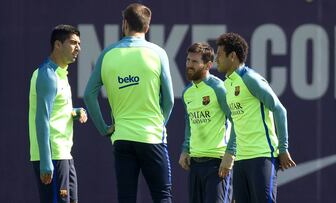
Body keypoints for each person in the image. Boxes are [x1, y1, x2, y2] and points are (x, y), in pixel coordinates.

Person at [83, 3, 174, 203]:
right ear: (147, 27)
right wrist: (159, 125)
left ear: (124, 24)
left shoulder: (107, 53)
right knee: (162, 196)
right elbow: (169, 100)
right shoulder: (158, 53)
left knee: (126, 198)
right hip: (151, 137)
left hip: (121, 138)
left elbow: (89, 94)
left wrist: (103, 128)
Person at [216, 32, 296, 203]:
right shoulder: (228, 84)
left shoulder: (250, 79)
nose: (216, 59)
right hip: (241, 159)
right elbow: (237, 123)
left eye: (220, 55)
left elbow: (280, 110)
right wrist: (231, 153)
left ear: (232, 56)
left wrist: (283, 148)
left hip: (262, 156)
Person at [28, 24, 87, 203]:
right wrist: (46, 161)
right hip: (52, 157)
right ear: (58, 45)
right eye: (73, 43)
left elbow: (56, 111)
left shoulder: (61, 74)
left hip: (64, 155)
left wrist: (74, 112)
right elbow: (42, 118)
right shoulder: (47, 75)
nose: (78, 48)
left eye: (79, 43)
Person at [178, 43, 233, 203]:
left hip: (218, 163)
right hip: (195, 164)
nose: (189, 65)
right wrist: (185, 149)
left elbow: (236, 121)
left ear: (208, 65)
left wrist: (231, 153)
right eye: (188, 60)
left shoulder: (218, 88)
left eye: (195, 62)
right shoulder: (187, 92)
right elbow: (189, 123)